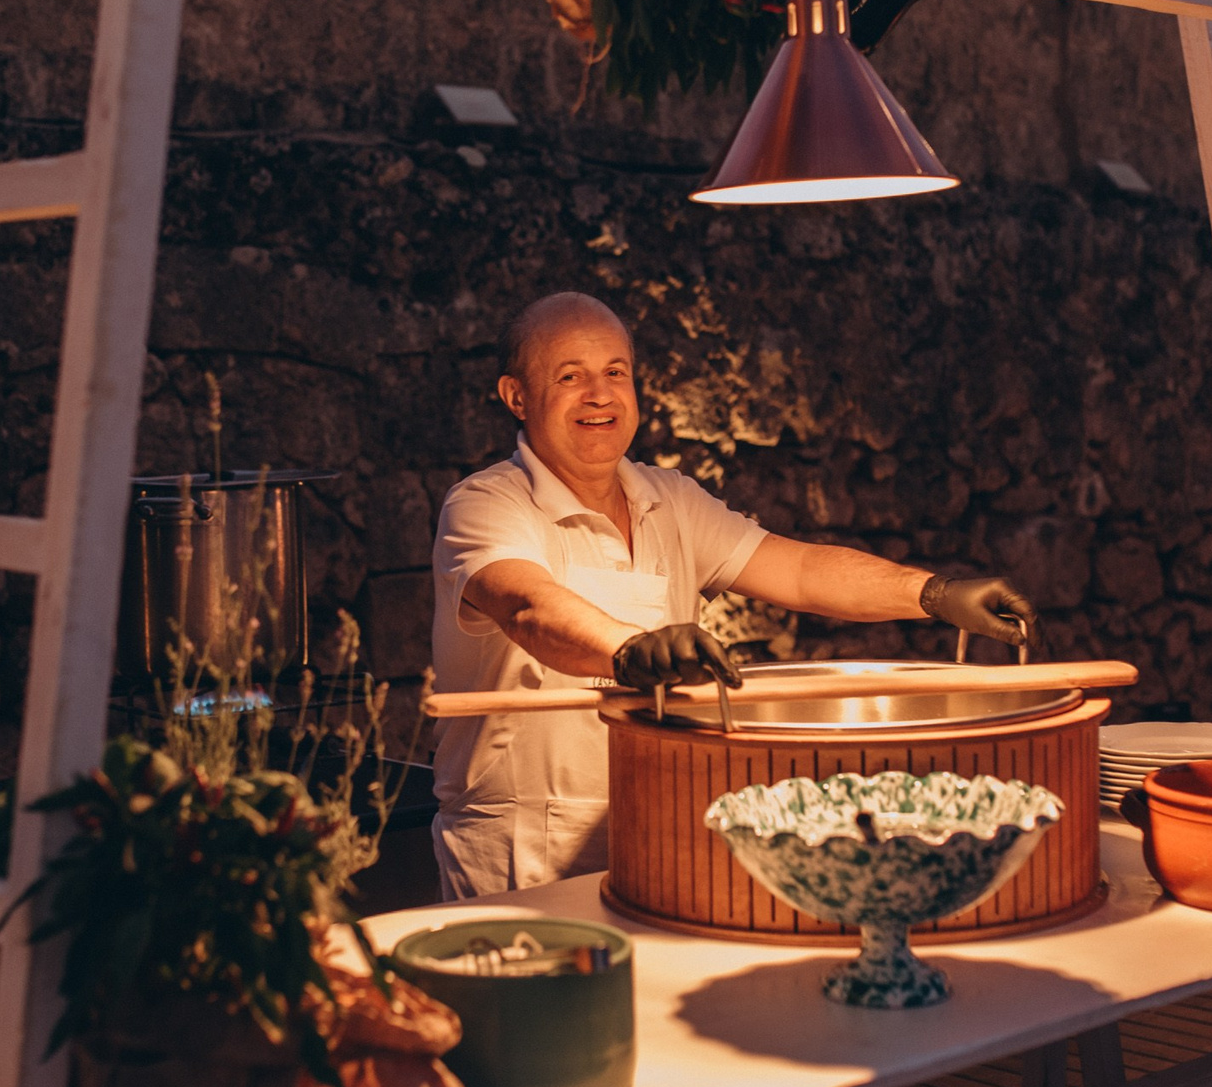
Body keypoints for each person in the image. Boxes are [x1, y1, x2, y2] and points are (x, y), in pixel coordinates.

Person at [426, 291, 1038, 899]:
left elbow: (798, 570)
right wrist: (632, 649)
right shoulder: (487, 503)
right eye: (570, 377)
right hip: (522, 852)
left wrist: (932, 592)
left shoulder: (672, 500)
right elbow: (529, 606)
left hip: (658, 829)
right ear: (516, 397)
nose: (600, 395)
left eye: (616, 373)